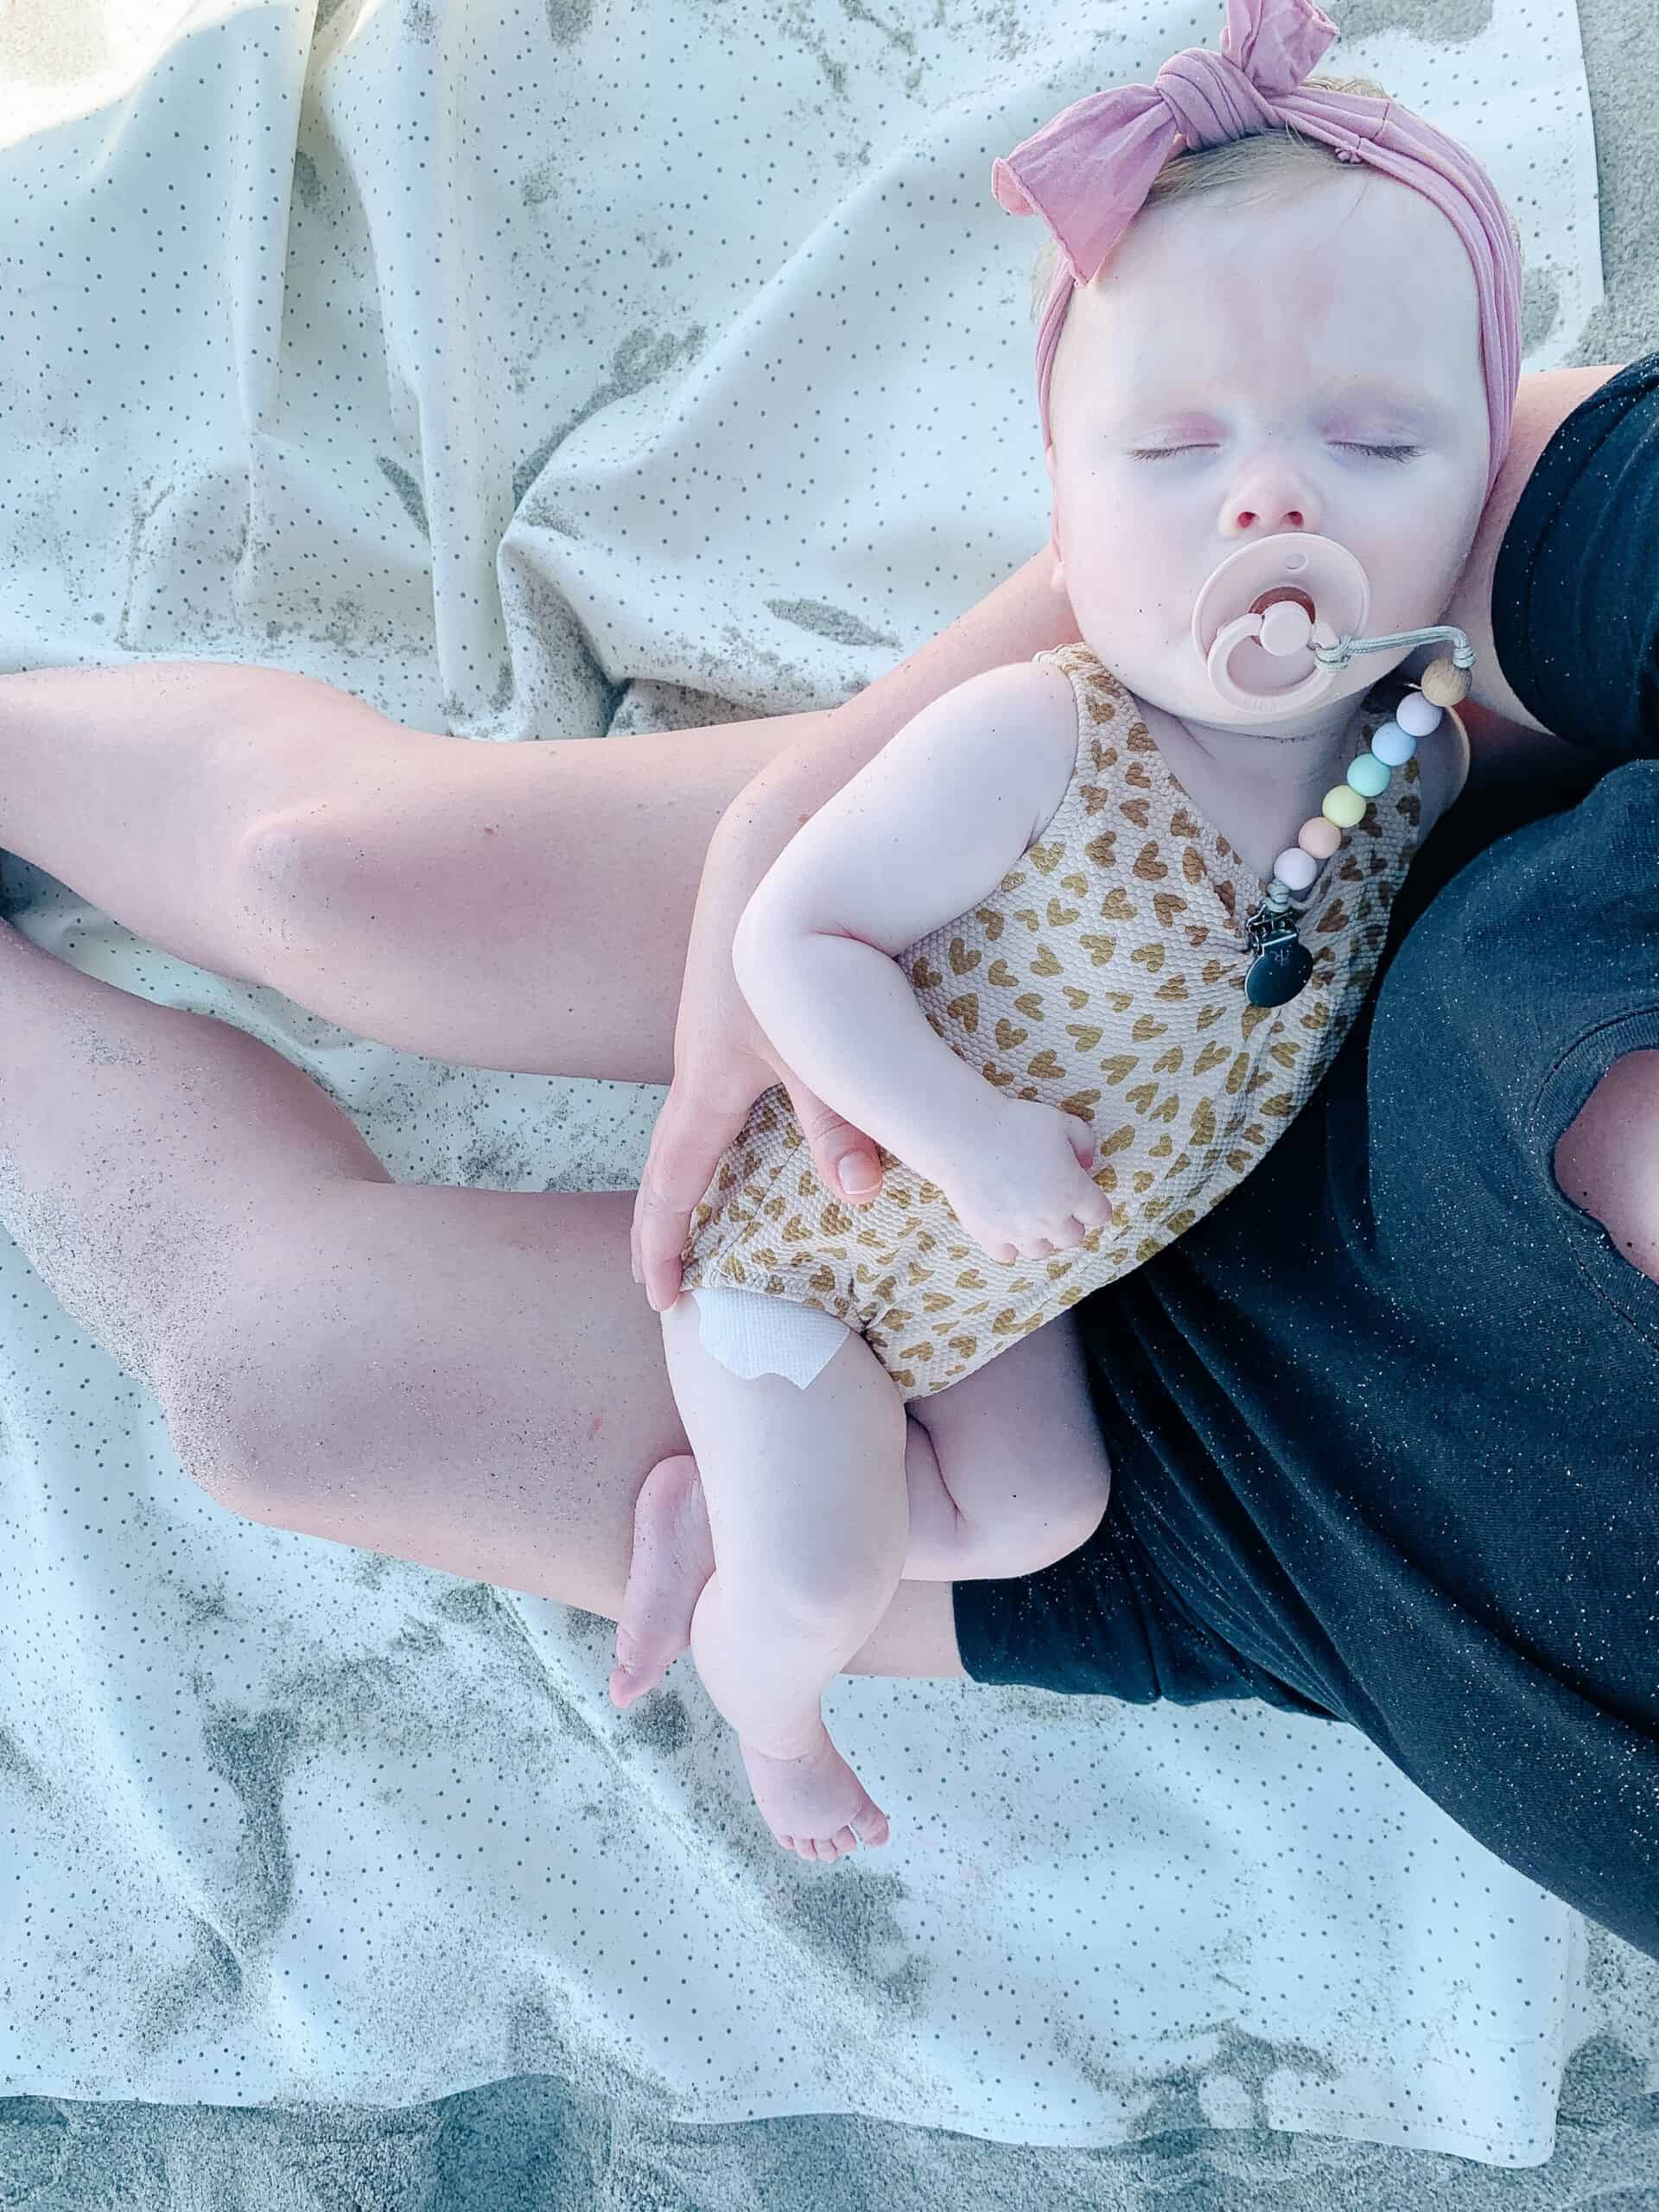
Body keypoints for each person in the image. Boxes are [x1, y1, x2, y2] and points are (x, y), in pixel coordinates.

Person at [0, 272, 1649, 1943]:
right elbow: (1477, 457)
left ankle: (768, 1672)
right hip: (1080, 918)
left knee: (280, 1389)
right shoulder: (1100, 734)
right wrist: (790, 819)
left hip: (1297, 1492)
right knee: (344, 881)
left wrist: (825, 1507)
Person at [642, 5, 1523, 1864]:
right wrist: (960, 1137)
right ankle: (762, 1693)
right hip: (825, 1253)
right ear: (1057, 507)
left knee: (1040, 1506)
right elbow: (795, 943)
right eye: (1170, 449)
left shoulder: (1406, 767)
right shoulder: (1037, 735)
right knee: (820, 1573)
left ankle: (721, 1511)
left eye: (1373, 439)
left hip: (1007, 1286)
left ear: (1482, 492)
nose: (1268, 501)